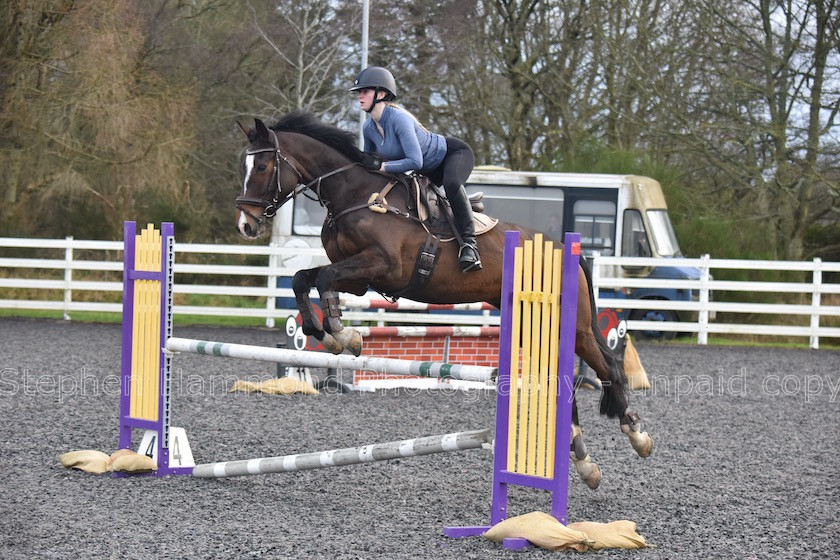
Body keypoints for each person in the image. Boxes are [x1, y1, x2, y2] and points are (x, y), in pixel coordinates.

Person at [350, 66, 481, 273]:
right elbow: (369, 165)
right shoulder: (368, 128)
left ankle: (469, 246)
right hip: (427, 172)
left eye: (364, 91)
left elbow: (415, 161)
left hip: (452, 156)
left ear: (381, 94)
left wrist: (383, 165)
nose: (360, 96)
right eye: (358, 92)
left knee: (452, 183)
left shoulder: (399, 119)